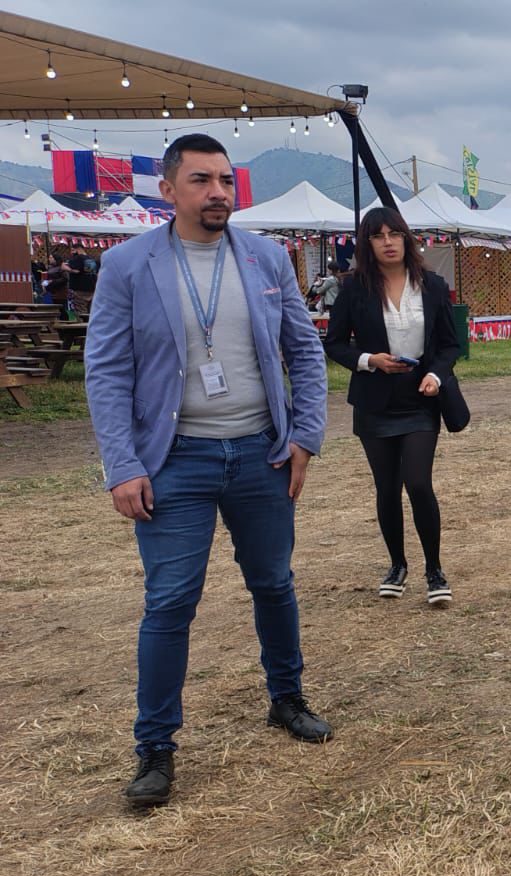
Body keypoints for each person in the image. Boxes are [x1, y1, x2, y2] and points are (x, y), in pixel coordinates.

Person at [83, 134, 331, 808]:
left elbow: (304, 353)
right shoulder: (128, 265)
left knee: (274, 583)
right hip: (176, 461)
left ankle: (287, 698)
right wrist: (122, 465)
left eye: (226, 180)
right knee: (169, 604)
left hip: (260, 452)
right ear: (167, 190)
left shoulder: (265, 257)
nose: (218, 192)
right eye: (201, 180)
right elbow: (105, 372)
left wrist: (305, 435)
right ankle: (155, 747)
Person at [323, 208, 461, 607]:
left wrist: (437, 375)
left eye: (394, 234)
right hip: (374, 400)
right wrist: (370, 360)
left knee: (418, 481)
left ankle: (434, 569)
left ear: (406, 238)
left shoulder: (432, 285)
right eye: (378, 236)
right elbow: (334, 343)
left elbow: (450, 344)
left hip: (421, 396)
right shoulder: (354, 289)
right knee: (387, 487)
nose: (387, 241)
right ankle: (397, 564)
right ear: (367, 243)